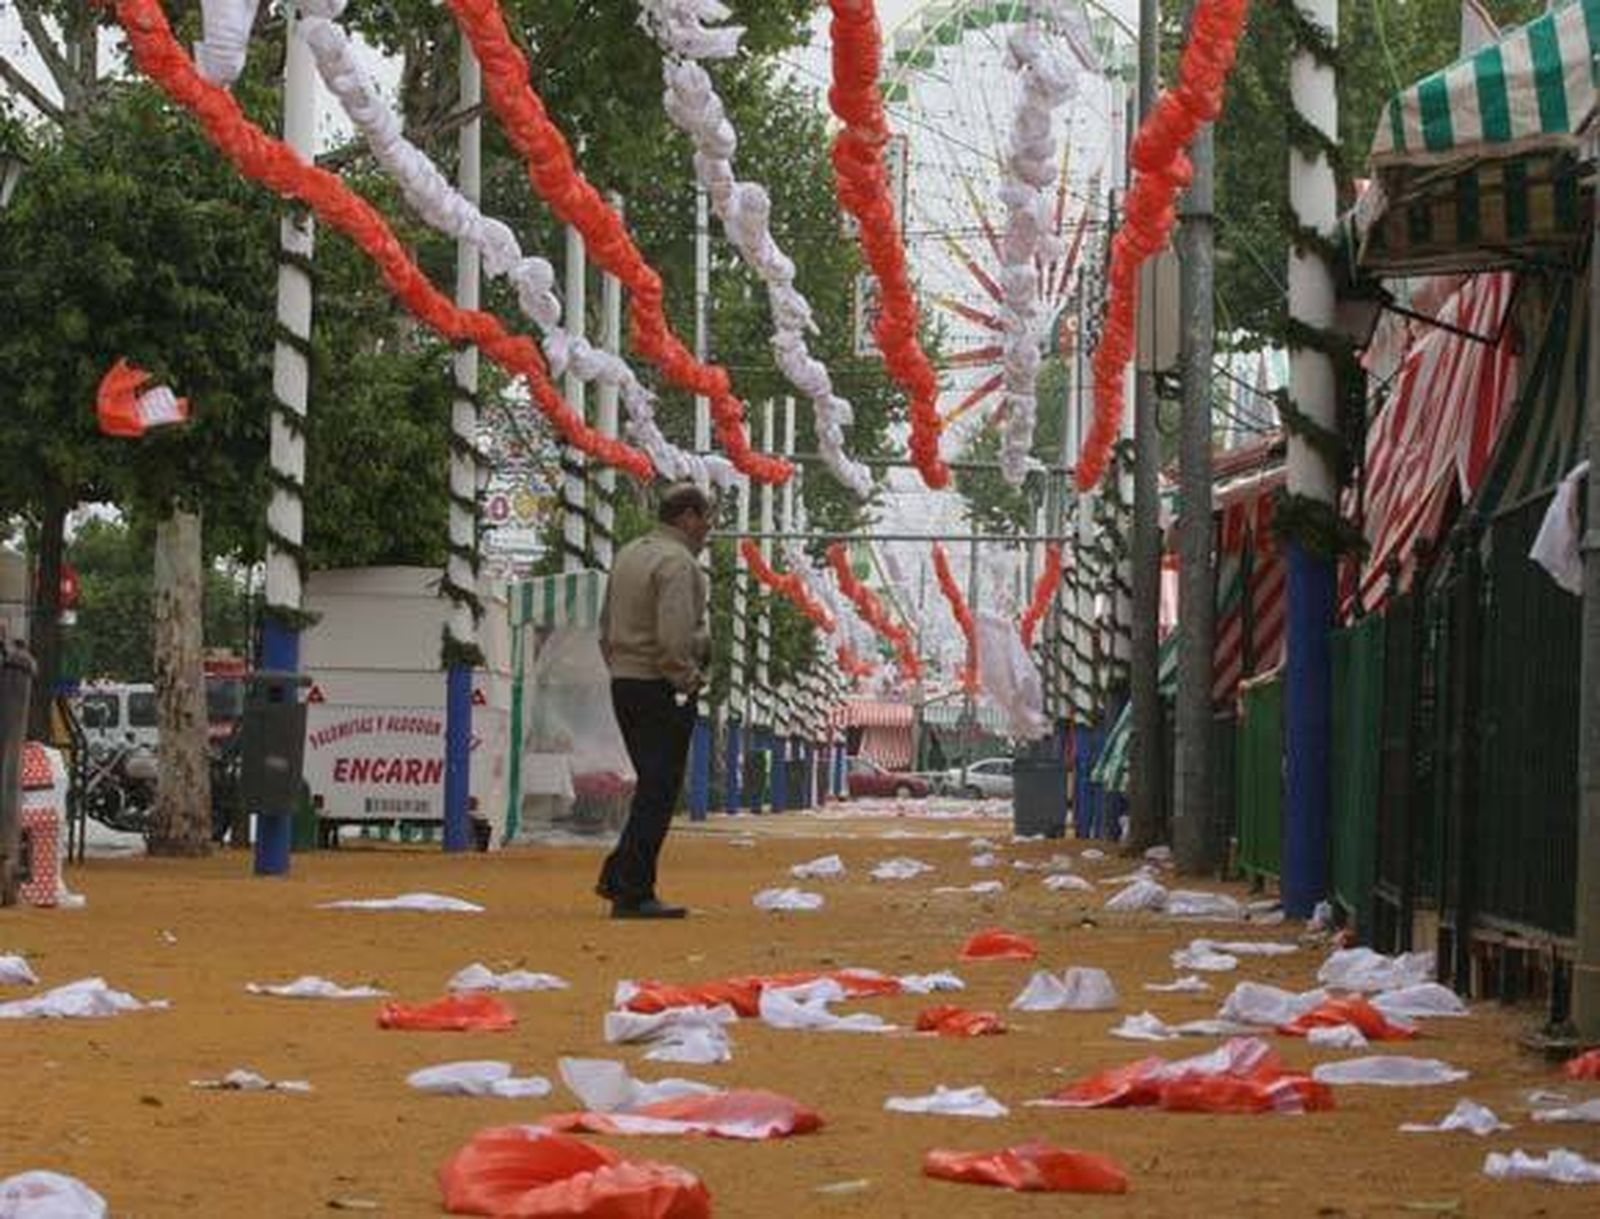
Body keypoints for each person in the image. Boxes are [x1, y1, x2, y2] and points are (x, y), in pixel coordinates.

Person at [594, 481, 713, 919]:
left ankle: (618, 875)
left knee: (651, 784)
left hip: (623, 680)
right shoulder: (677, 563)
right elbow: (673, 636)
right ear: (687, 517)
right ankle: (633, 889)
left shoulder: (628, 554)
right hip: (659, 684)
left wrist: (621, 664)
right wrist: (688, 679)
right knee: (660, 788)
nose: (707, 531)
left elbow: (604, 627)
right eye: (705, 520)